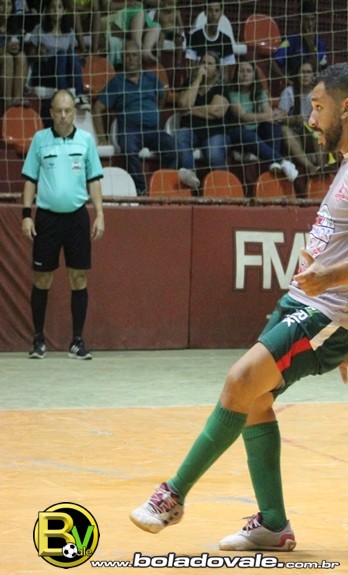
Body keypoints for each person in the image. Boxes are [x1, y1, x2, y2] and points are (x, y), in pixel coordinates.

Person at [130, 63, 348, 551]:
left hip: (328, 310)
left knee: (240, 381)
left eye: (318, 108)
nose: (310, 119)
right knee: (256, 399)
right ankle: (274, 525)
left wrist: (342, 305)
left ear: (346, 108)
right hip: (311, 304)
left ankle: (171, 496)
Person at [20, 89, 105, 360]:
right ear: (51, 113)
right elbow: (30, 179)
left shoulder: (86, 141)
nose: (64, 115)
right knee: (42, 278)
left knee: (78, 278)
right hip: (47, 218)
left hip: (77, 218)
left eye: (68, 111)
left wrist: (100, 213)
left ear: (74, 112)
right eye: (59, 111)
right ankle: (38, 340)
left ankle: (77, 341)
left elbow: (94, 179)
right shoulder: (39, 140)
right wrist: (26, 214)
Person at [93, 39, 177, 195]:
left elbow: (163, 94)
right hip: (130, 131)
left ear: (140, 58)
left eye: (134, 55)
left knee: (173, 147)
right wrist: (102, 138)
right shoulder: (116, 82)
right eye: (127, 55)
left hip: (153, 130)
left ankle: (162, 187)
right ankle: (141, 190)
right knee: (129, 150)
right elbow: (97, 108)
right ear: (122, 59)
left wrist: (155, 112)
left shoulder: (151, 78)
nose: (130, 59)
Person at [225, 58, 298, 184]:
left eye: (249, 71)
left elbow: (269, 114)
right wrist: (268, 115)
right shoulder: (232, 93)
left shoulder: (259, 92)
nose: (245, 74)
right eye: (241, 71)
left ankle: (274, 163)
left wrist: (270, 116)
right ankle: (281, 160)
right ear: (236, 74)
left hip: (258, 131)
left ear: (254, 75)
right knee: (247, 133)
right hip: (239, 133)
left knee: (273, 124)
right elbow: (243, 117)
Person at [174, 50, 229, 189]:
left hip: (214, 131)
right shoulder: (190, 82)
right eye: (203, 62)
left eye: (210, 64)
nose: (205, 66)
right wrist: (198, 79)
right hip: (191, 129)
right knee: (180, 138)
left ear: (217, 69)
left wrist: (191, 110)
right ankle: (190, 176)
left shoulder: (221, 87)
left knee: (213, 153)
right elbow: (183, 105)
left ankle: (221, 186)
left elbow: (215, 111)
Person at [26, 0, 89, 120]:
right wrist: (39, 52)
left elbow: (72, 57)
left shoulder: (69, 32)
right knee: (61, 54)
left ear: (64, 11)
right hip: (45, 70)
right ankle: (63, 96)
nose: (56, 10)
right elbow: (30, 54)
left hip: (63, 71)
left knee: (71, 54)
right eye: (52, 7)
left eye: (59, 7)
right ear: (48, 11)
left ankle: (80, 95)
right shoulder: (40, 29)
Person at [271, 0, 328, 84]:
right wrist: (287, 81)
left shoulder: (320, 44)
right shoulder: (290, 41)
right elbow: (272, 62)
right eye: (306, 20)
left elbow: (319, 69)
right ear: (300, 19)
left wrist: (310, 45)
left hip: (312, 87)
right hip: (294, 86)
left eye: (312, 20)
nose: (309, 24)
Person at [184, 1, 235, 73]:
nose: (213, 14)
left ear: (221, 13)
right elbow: (191, 68)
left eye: (217, 11)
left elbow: (227, 72)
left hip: (218, 79)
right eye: (210, 10)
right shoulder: (194, 36)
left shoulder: (226, 40)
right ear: (205, 12)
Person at [0, 0, 28, 111]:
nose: (5, 8)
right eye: (1, 4)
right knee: (7, 58)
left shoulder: (15, 27)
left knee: (21, 56)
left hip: (11, 65)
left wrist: (16, 48)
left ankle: (17, 100)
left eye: (9, 4)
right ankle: (7, 104)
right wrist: (4, 49)